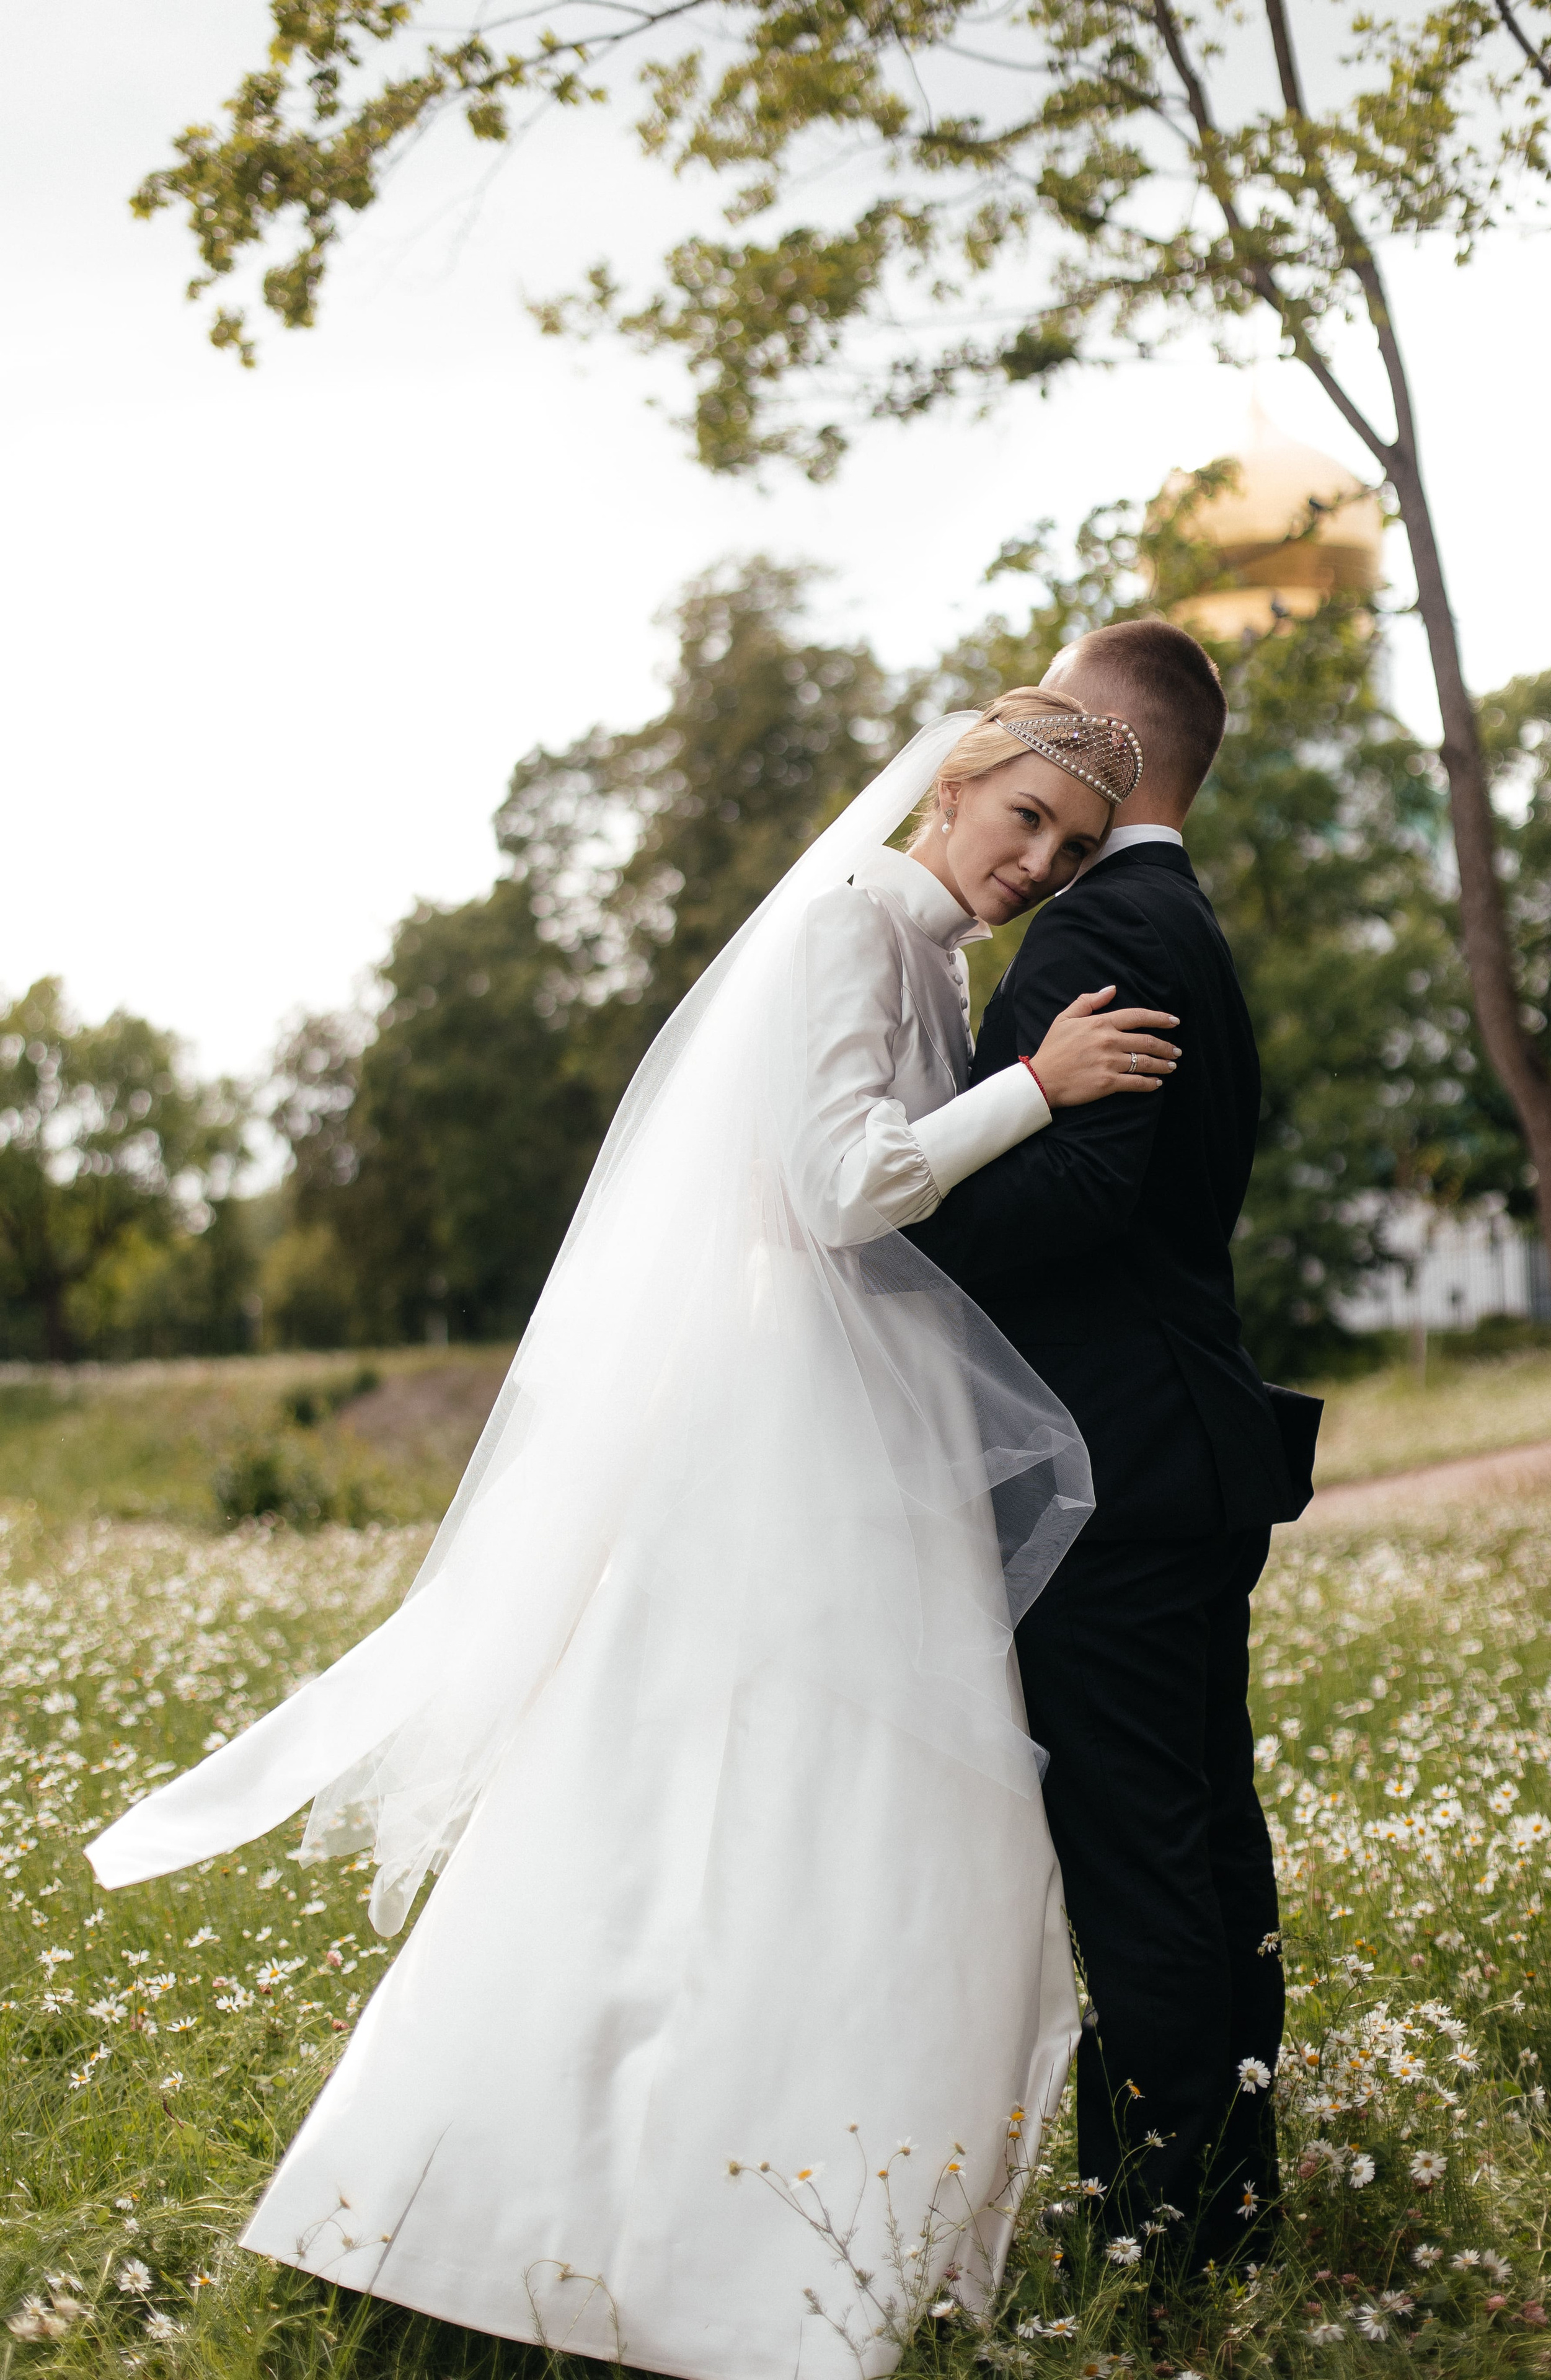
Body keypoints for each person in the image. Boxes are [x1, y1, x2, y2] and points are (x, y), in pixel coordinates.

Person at [86, 692, 1179, 2380]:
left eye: (1073, 846)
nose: (1037, 861)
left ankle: (822, 2217)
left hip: (862, 1405)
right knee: (738, 1787)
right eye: (1021, 816)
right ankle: (575, 2218)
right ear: (950, 788)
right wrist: (1035, 1088)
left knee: (844, 1805)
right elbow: (836, 1190)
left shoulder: (921, 947)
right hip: (799, 1417)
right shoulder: (845, 928)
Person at [907, 622, 1322, 2267]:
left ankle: (1185, 2248)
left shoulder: (1109, 924)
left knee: (1150, 1859)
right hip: (1183, 1453)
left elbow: (1084, 1192)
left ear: (1109, 741)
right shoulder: (1178, 917)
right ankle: (1231, 2197)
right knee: (1208, 1840)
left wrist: (870, 1229)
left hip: (1116, 1478)